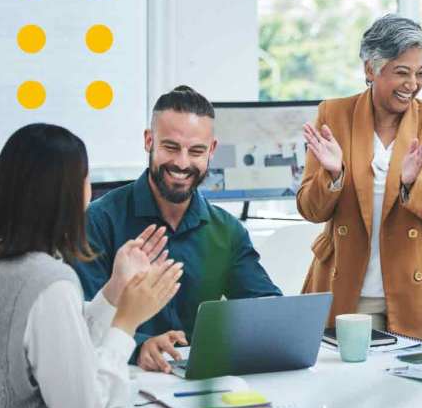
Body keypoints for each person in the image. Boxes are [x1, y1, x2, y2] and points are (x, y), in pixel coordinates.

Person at [0, 123, 182, 408]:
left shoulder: (1, 264)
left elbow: (60, 348)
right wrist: (127, 323)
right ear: (65, 194)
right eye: (86, 180)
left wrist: (115, 289)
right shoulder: (50, 281)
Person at [74, 85, 281, 373]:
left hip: (200, 381)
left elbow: (266, 308)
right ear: (149, 141)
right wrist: (140, 344)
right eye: (171, 147)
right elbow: (81, 319)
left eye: (196, 151)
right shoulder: (98, 221)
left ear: (212, 150)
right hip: (121, 378)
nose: (182, 163)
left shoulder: (228, 230)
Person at [297, 14, 422, 353]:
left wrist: (413, 184)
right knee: (344, 396)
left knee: (419, 400)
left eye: (421, 73)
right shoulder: (333, 115)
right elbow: (310, 209)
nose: (412, 84)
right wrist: (332, 175)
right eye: (401, 72)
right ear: (370, 70)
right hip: (350, 293)